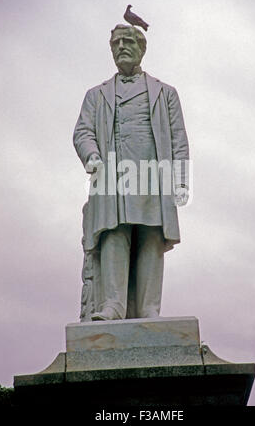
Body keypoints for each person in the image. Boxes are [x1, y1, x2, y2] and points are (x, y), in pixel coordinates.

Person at [73, 24, 189, 321]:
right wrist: (92, 157)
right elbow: (83, 132)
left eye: (127, 41)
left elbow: (178, 139)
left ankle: (150, 307)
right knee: (114, 233)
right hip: (112, 176)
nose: (121, 47)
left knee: (151, 235)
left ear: (141, 48)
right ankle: (113, 305)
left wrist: (181, 181)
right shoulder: (95, 95)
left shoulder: (166, 93)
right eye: (115, 43)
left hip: (152, 173)